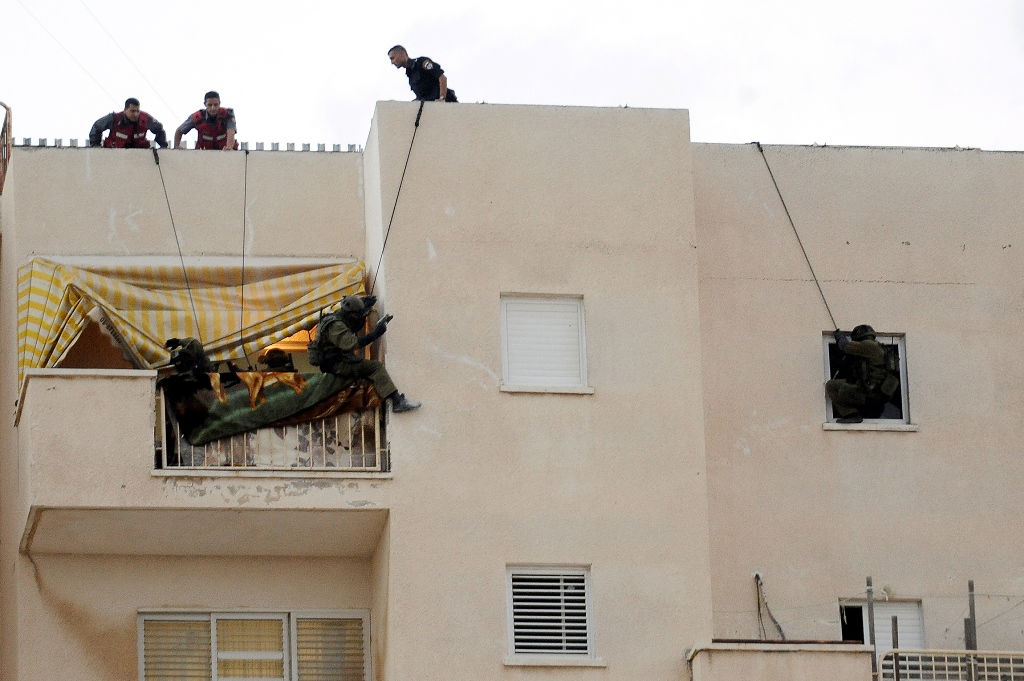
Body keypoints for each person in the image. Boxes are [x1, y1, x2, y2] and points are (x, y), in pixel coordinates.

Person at [311, 295, 421, 413]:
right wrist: (375, 334)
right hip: (337, 365)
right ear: (351, 313)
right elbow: (351, 344)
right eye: (356, 314)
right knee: (375, 367)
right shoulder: (336, 325)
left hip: (336, 362)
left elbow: (351, 328)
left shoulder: (336, 318)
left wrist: (363, 311)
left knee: (364, 369)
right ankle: (397, 402)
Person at [825, 325, 900, 423]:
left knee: (831, 386)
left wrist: (839, 336)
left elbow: (844, 346)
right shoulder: (881, 348)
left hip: (868, 394)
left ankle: (851, 414)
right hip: (880, 395)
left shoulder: (869, 346)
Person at [89, 98, 168, 149]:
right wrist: (96, 148)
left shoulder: (145, 119)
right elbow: (97, 127)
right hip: (115, 156)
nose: (136, 114)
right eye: (132, 111)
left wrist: (163, 147)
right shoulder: (114, 118)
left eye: (138, 111)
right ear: (125, 110)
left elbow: (159, 129)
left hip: (139, 157)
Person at [387, 45, 458, 102]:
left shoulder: (422, 62)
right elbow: (423, 96)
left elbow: (442, 78)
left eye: (392, 58)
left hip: (447, 104)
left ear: (402, 54)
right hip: (432, 106)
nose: (392, 62)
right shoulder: (409, 74)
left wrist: (442, 99)